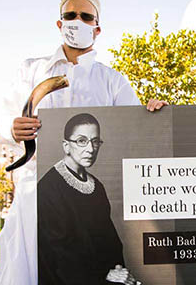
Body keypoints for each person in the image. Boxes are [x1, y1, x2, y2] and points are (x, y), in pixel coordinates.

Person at [0, 0, 166, 285]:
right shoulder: (32, 70)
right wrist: (12, 127)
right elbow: (5, 115)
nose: (77, 21)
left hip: (88, 200)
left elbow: (135, 128)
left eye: (86, 16)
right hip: (36, 193)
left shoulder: (112, 81)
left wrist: (153, 112)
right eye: (70, 15)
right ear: (60, 24)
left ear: (97, 28)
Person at [38, 113, 135, 284]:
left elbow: (110, 241)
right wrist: (104, 273)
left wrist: (117, 270)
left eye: (95, 141)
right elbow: (58, 250)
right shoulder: (49, 187)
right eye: (82, 141)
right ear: (66, 146)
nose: (90, 149)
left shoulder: (96, 186)